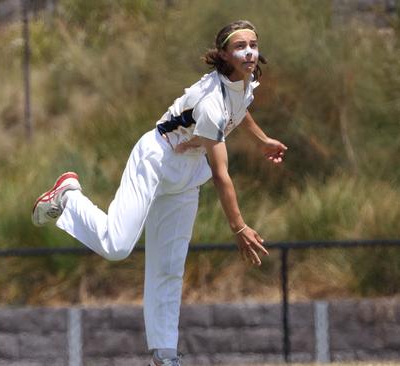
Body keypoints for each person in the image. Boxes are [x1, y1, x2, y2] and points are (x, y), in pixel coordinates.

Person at [32, 20, 287, 366]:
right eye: (240, 46)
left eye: (253, 45)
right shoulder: (210, 101)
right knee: (116, 246)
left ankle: (165, 354)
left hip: (185, 172)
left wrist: (263, 140)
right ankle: (69, 197)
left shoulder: (246, 80)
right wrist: (239, 227)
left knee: (169, 267)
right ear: (224, 54)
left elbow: (240, 109)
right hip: (157, 159)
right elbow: (222, 174)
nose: (249, 53)